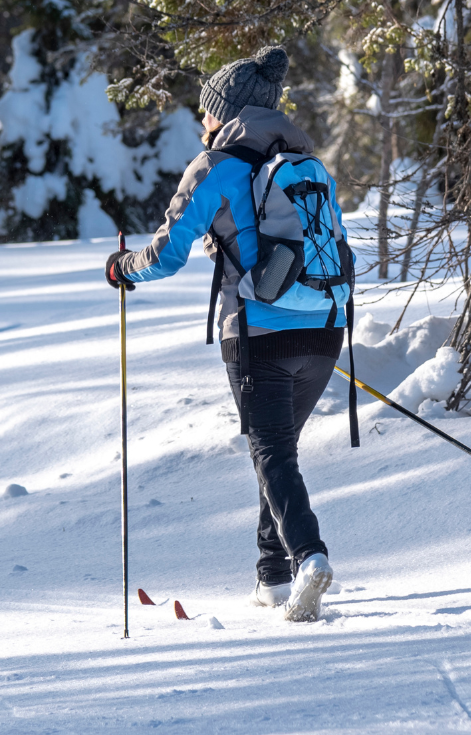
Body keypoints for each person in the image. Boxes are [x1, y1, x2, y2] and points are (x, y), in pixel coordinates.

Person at [103, 46, 346, 623]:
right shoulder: (305, 163)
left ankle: (309, 557)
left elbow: (166, 255)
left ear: (227, 112)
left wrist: (122, 267)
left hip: (259, 330)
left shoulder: (215, 168)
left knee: (271, 452)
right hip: (326, 329)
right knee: (277, 455)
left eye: (207, 112)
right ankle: (271, 578)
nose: (202, 121)